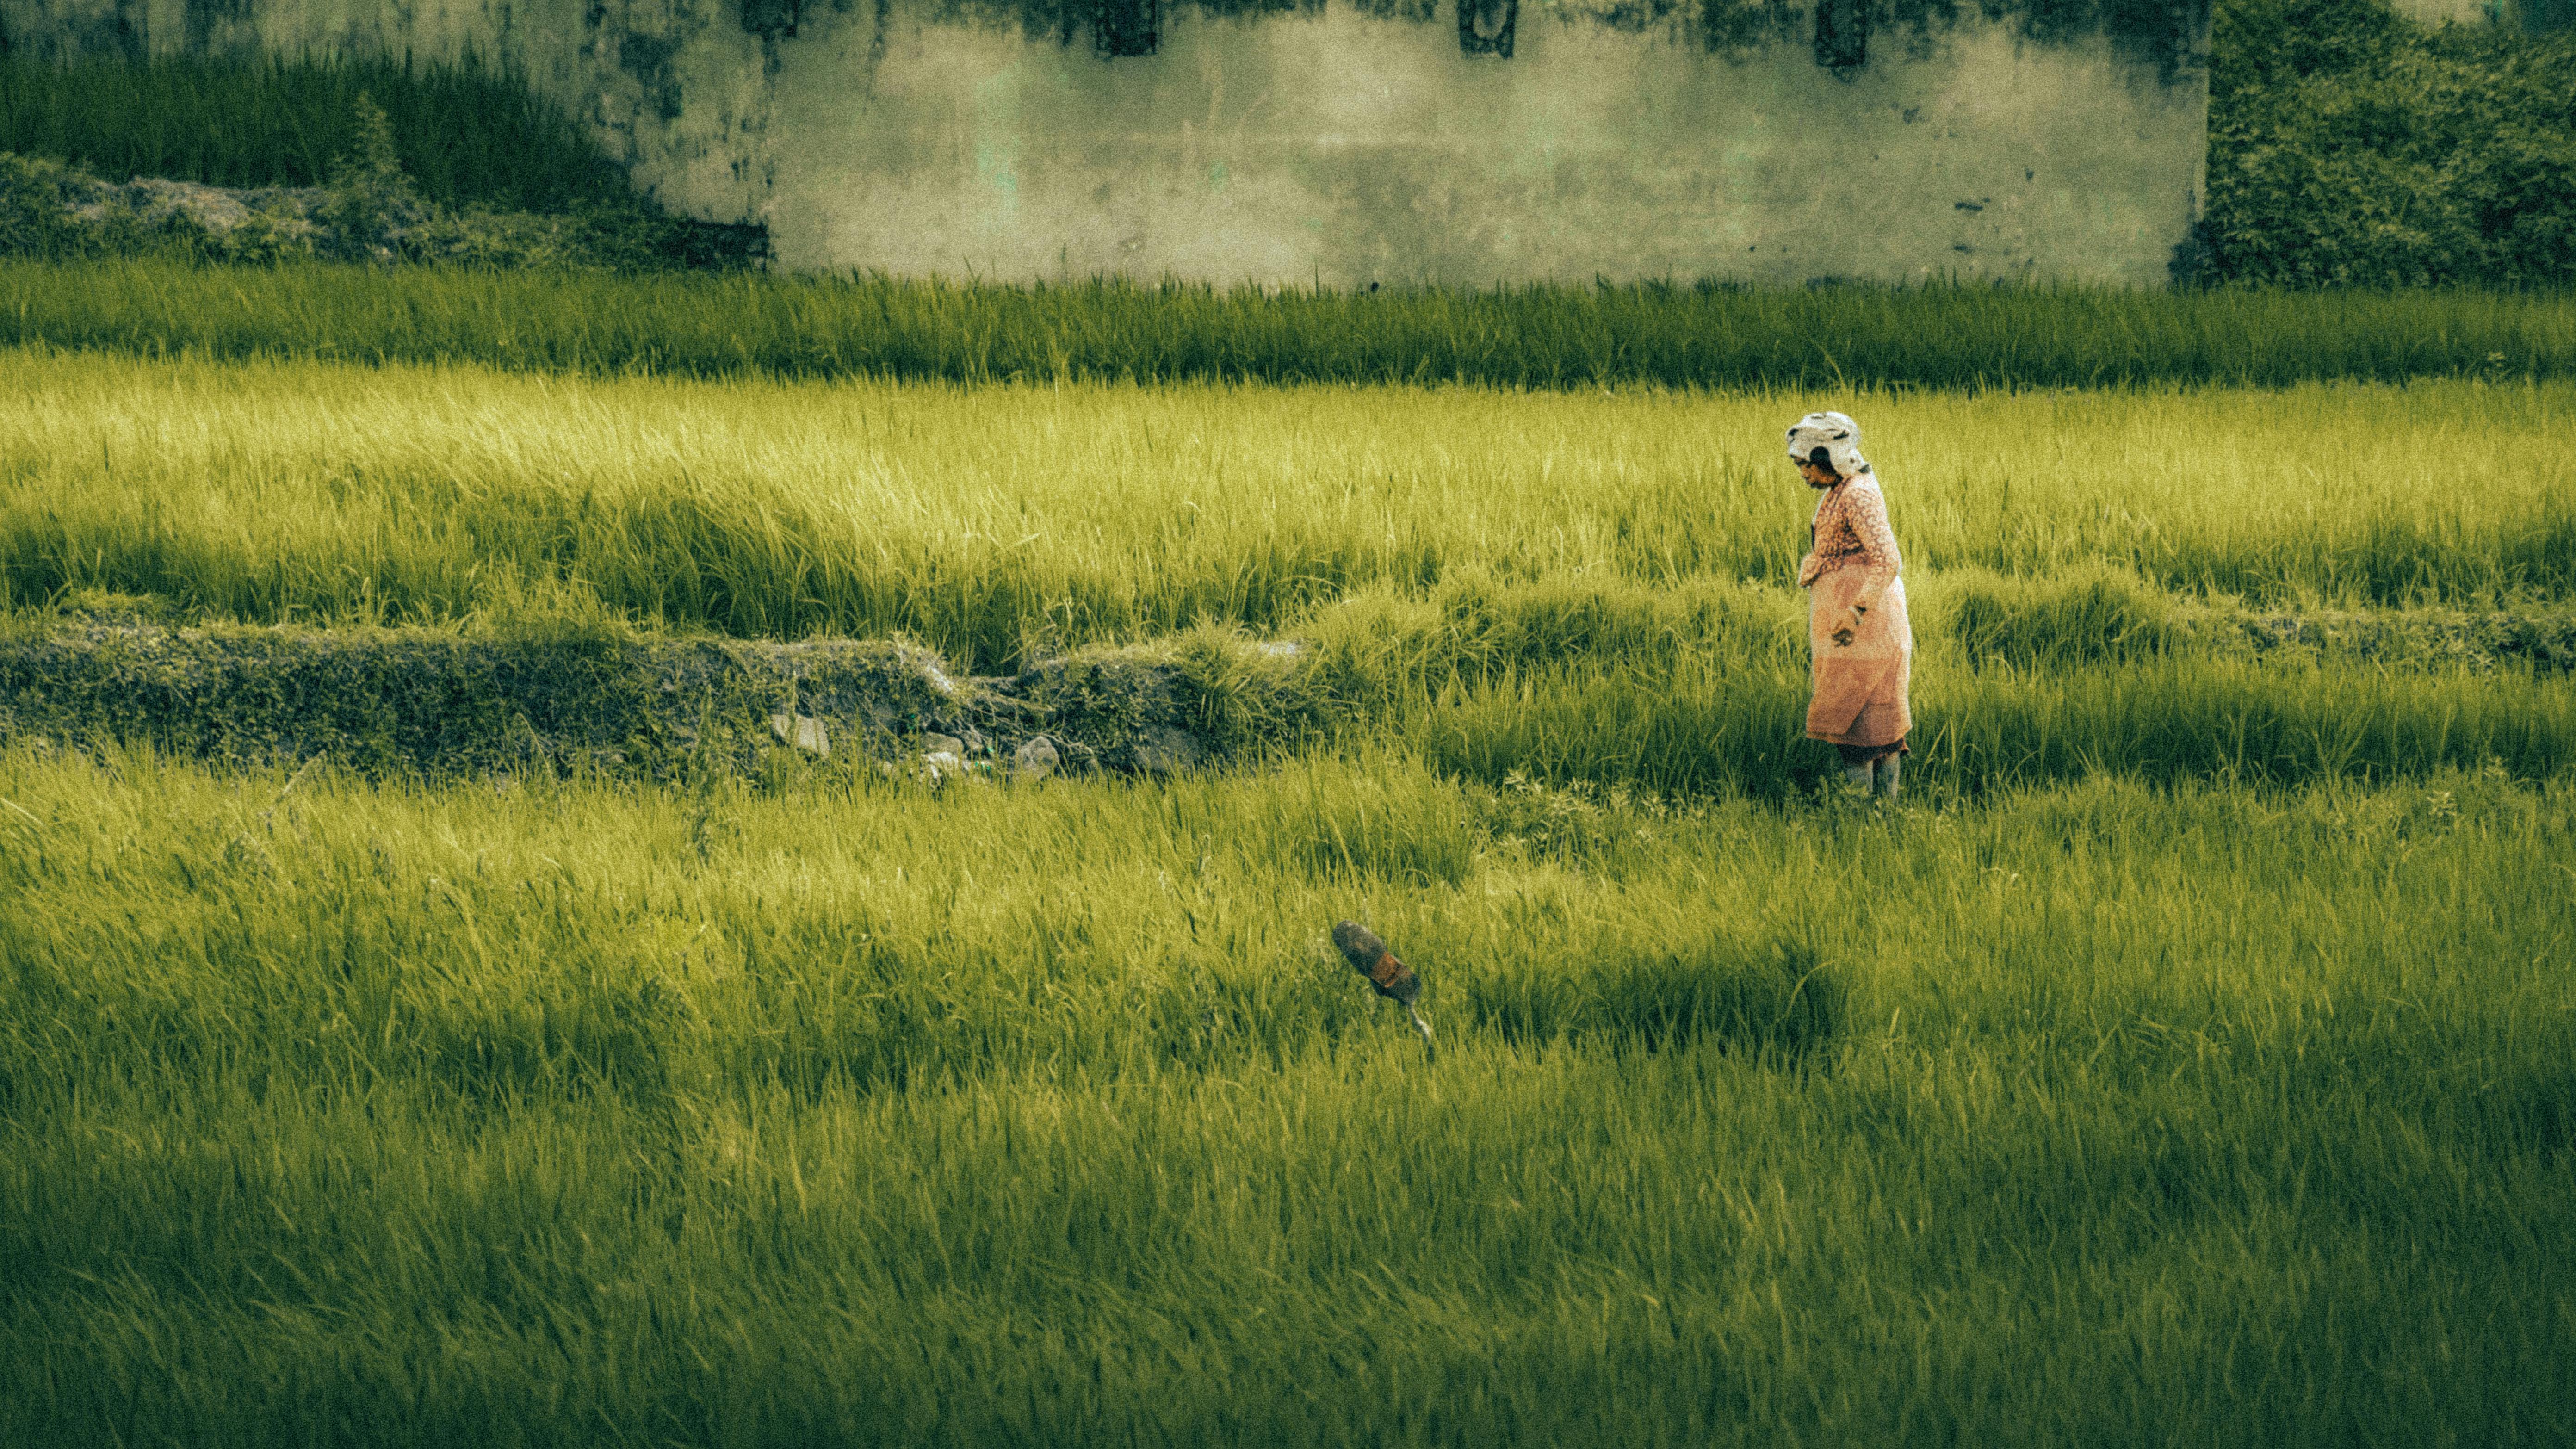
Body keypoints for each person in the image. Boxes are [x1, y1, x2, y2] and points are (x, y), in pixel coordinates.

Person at [1788, 411, 1911, 799]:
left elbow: (1887, 559)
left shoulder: (1857, 494)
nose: (1804, 474)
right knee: (1867, 727)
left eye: (1806, 465)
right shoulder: (1839, 490)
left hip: (1865, 629)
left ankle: (1868, 822)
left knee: (1864, 728)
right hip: (1853, 629)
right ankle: (1879, 820)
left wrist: (1855, 612)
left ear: (1827, 460)